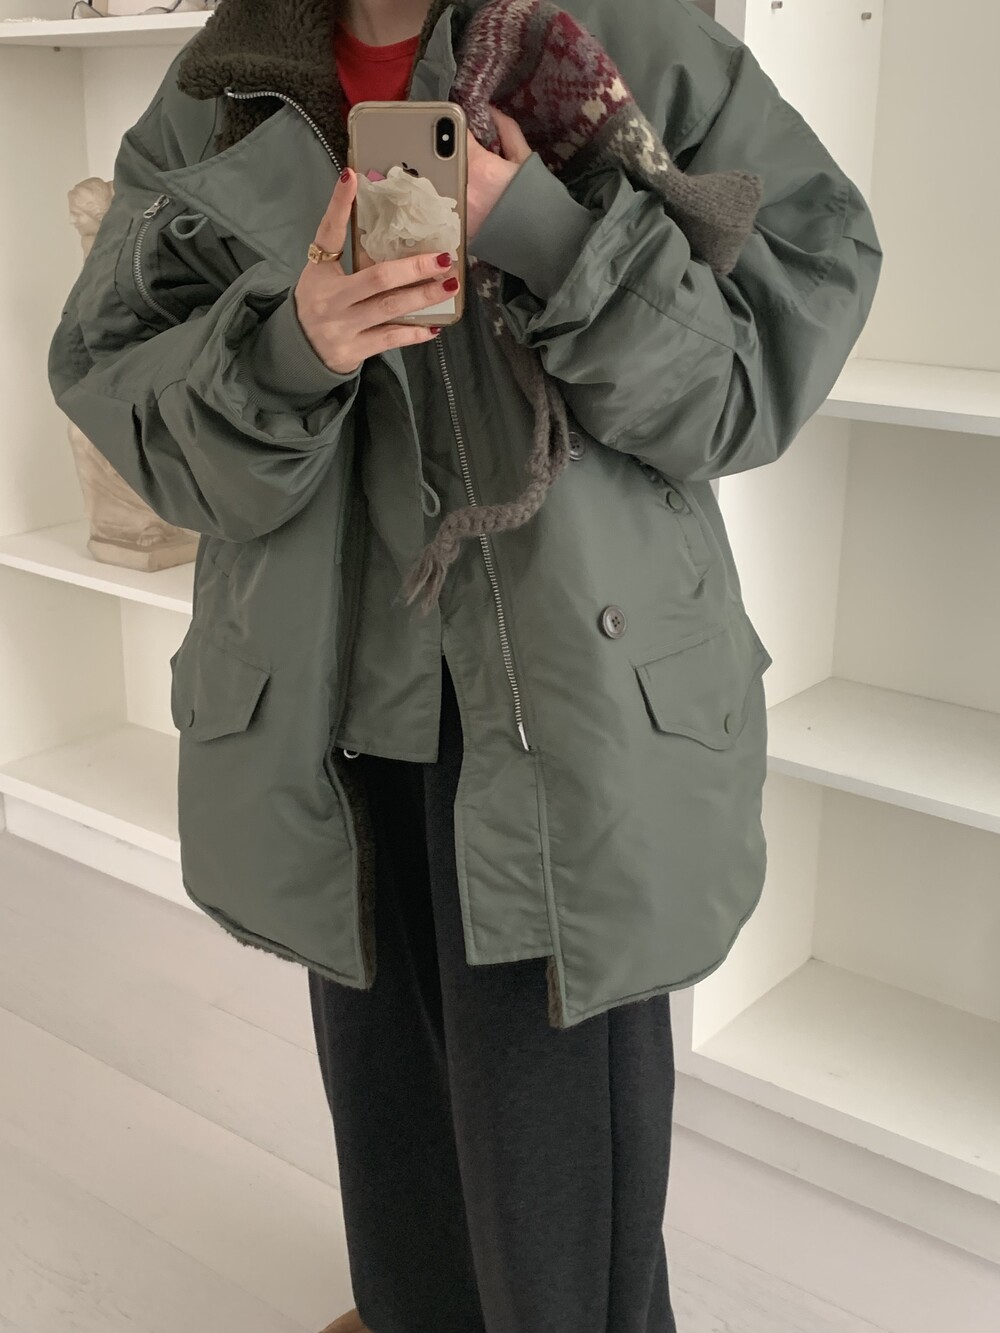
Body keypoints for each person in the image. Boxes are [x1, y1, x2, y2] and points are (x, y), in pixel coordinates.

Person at [47, 0, 882, 1329]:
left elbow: (766, 352)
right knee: (398, 1175)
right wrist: (292, 344)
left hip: (570, 717)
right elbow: (112, 379)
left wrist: (547, 235)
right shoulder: (223, 86)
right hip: (329, 717)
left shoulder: (613, 33)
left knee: (562, 1227)